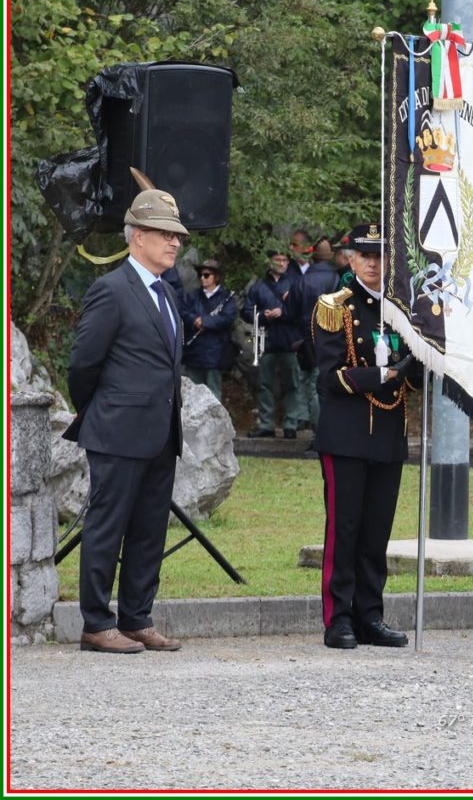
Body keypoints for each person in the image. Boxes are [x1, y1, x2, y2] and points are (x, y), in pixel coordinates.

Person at [63, 189, 189, 654]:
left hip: (160, 432)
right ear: (137, 237)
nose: (175, 242)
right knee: (106, 527)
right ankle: (97, 623)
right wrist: (100, 410)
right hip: (117, 430)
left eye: (177, 236)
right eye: (164, 234)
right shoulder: (111, 290)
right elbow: (83, 364)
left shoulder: (166, 293)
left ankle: (137, 618)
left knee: (149, 530)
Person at [311, 223, 423, 649]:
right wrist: (385, 375)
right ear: (350, 259)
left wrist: (420, 365)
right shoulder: (335, 306)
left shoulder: (403, 309)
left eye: (381, 256)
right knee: (345, 529)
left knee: (377, 531)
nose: (374, 264)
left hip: (389, 433)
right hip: (347, 435)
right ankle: (338, 618)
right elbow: (330, 376)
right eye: (365, 256)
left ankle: (370, 614)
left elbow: (415, 376)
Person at [241, 250, 303, 438]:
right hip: (266, 342)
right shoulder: (258, 287)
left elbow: (303, 309)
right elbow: (246, 311)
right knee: (264, 385)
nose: (282, 263)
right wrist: (263, 316)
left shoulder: (295, 284)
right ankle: (267, 424)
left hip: (290, 342)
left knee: (292, 385)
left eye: (285, 260)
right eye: (278, 260)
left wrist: (283, 312)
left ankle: (291, 424)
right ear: (270, 262)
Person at [296, 237, 340, 432]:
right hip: (334, 339)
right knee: (326, 384)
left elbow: (290, 310)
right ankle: (327, 429)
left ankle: (317, 429)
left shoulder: (303, 280)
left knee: (312, 383)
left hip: (307, 338)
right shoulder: (337, 278)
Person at [181, 259, 237, 400]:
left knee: (213, 394)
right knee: (193, 394)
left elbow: (227, 318)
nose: (202, 278)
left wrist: (204, 321)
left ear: (216, 277)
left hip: (216, 353)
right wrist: (194, 320)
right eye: (201, 275)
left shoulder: (227, 297)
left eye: (206, 275)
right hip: (194, 352)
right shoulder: (192, 296)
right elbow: (183, 312)